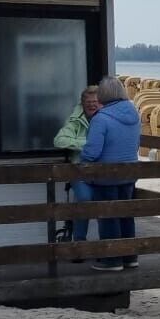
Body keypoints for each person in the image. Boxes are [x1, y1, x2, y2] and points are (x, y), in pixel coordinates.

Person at [80, 76, 142, 271]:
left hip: (105, 176)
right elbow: (137, 145)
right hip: (129, 173)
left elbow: (92, 152)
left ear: (104, 95)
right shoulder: (134, 114)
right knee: (126, 216)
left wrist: (82, 158)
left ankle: (112, 260)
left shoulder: (101, 118)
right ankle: (129, 257)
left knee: (108, 218)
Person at [53, 86, 102, 244]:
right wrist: (88, 145)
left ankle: (107, 245)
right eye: (88, 102)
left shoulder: (105, 119)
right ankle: (79, 243)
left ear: (101, 103)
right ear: (82, 104)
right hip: (78, 171)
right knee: (84, 199)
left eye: (95, 101)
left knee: (106, 201)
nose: (91, 105)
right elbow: (59, 140)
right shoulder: (75, 121)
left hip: (101, 171)